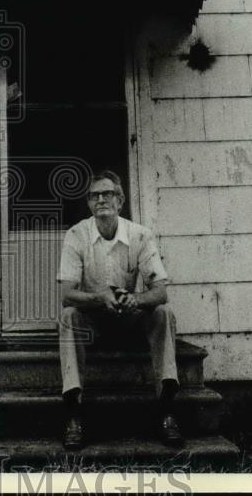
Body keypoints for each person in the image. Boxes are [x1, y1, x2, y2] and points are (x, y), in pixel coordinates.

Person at [57, 169, 183, 450]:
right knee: (68, 317)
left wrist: (135, 299)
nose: (101, 200)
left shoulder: (140, 236)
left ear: (120, 200)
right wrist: (100, 297)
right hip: (94, 324)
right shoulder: (77, 235)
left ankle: (165, 409)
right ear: (89, 203)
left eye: (108, 194)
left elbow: (160, 291)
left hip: (130, 322)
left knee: (164, 312)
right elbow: (66, 295)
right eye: (94, 196)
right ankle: (74, 413)